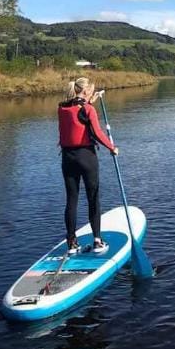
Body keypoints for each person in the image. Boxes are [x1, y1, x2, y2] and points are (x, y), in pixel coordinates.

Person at [58, 77, 119, 254]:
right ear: (85, 91)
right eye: (91, 90)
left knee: (72, 199)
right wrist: (112, 147)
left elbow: (78, 114)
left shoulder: (62, 108)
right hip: (86, 157)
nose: (92, 92)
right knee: (93, 198)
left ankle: (71, 243)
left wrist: (92, 101)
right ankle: (97, 241)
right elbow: (97, 132)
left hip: (67, 158)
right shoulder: (88, 109)